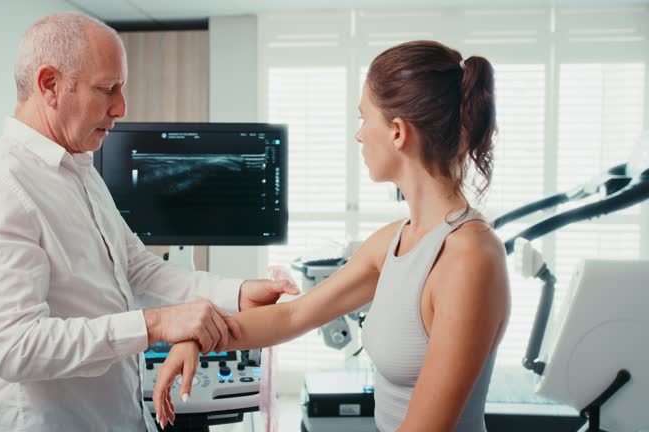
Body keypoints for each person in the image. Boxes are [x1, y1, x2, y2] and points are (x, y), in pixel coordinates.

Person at [0, 12, 298, 432]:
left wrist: (235, 293)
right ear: (49, 85)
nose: (121, 107)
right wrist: (156, 325)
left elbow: (135, 269)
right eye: (106, 89)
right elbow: (16, 348)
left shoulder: (78, 169)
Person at [153, 40, 511, 432]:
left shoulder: (468, 259)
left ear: (397, 133)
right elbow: (294, 314)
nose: (359, 136)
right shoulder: (392, 241)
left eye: (363, 118)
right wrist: (200, 337)